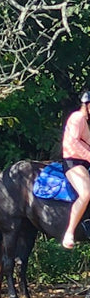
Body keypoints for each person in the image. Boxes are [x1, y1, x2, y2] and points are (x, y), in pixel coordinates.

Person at [61, 90, 90, 249]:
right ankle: (69, 232)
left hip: (84, 162)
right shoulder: (77, 118)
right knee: (86, 193)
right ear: (87, 105)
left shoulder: (85, 122)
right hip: (73, 162)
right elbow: (73, 142)